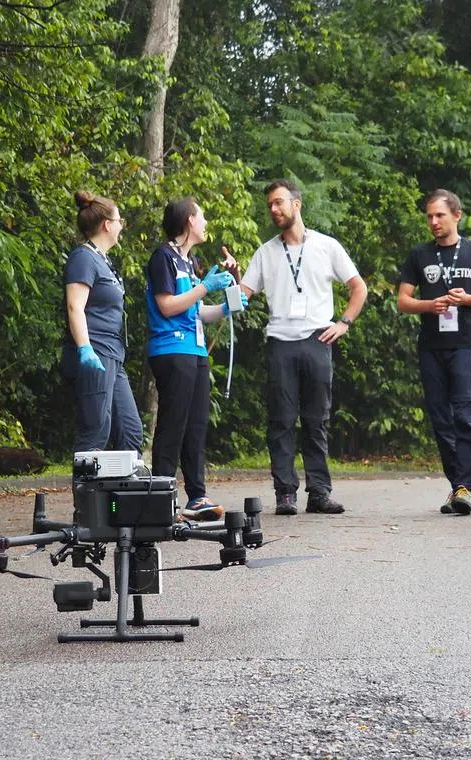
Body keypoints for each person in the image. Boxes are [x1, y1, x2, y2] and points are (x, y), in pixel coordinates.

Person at [241, 179, 368, 516]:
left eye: (279, 202)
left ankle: (319, 493)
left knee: (316, 420)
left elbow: (358, 287)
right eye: (270, 205)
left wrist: (344, 323)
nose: (273, 209)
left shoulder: (327, 246)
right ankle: (285, 493)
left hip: (317, 338)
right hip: (280, 341)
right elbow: (242, 296)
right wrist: (231, 278)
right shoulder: (265, 252)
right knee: (281, 420)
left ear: (296, 204)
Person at [397, 189, 471, 515]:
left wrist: (467, 299)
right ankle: (458, 487)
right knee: (441, 419)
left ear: (457, 215)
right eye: (429, 216)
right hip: (431, 346)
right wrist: (431, 305)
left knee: (466, 415)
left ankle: (466, 485)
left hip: (465, 345)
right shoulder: (419, 254)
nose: (433, 221)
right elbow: (403, 301)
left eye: (440, 215)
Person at [145, 197, 246, 522]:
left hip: (196, 350)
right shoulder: (163, 257)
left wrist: (226, 307)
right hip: (172, 349)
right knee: (172, 424)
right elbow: (167, 306)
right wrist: (205, 287)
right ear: (189, 219)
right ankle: (162, 499)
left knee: (196, 426)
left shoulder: (189, 261)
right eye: (202, 216)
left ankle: (196, 496)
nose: (205, 223)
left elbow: (198, 311)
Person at [61, 190, 143, 455]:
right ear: (107, 225)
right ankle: (85, 484)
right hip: (96, 352)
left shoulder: (103, 260)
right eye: (119, 221)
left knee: (130, 431)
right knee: (96, 430)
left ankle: (121, 485)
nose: (121, 227)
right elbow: (75, 306)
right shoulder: (83, 258)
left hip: (113, 355)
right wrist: (85, 348)